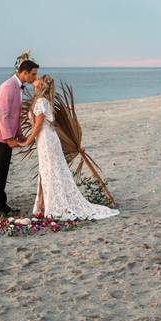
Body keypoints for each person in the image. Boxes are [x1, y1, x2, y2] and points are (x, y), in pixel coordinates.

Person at [17, 74, 119, 221]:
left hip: (46, 140)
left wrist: (26, 142)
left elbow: (38, 126)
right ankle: (45, 204)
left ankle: (51, 205)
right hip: (45, 139)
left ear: (41, 84)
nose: (35, 79)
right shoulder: (41, 100)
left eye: (38, 79)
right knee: (47, 170)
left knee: (50, 170)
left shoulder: (41, 101)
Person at [0, 57, 39, 215]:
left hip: (6, 133)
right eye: (33, 75)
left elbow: (14, 115)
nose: (35, 78)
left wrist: (19, 134)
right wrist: (9, 138)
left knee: (3, 170)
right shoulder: (8, 87)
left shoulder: (17, 86)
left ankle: (1, 205)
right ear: (24, 73)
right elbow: (2, 115)